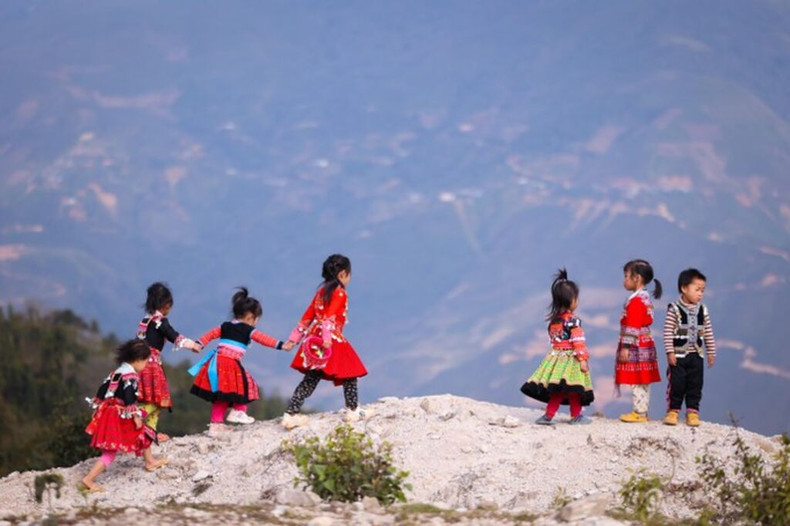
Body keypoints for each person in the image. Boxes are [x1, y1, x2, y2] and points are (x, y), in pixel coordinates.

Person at [281, 254, 369, 430]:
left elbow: (307, 318)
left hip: (313, 338)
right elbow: (330, 317)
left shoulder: (320, 293)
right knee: (350, 372)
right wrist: (328, 339)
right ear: (343, 274)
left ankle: (291, 413)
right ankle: (353, 410)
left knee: (312, 377)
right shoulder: (340, 293)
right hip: (331, 339)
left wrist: (293, 340)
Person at [189, 287, 293, 430]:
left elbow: (210, 334)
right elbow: (263, 339)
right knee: (247, 385)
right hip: (230, 363)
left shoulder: (224, 326)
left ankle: (215, 425)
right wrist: (282, 345)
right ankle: (238, 412)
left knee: (221, 394)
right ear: (250, 316)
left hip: (216, 362)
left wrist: (199, 344)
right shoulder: (248, 329)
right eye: (256, 318)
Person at [81, 339, 168, 492]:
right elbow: (130, 398)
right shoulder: (131, 376)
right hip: (121, 414)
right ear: (138, 360)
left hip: (109, 412)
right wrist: (136, 416)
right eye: (146, 362)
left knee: (110, 452)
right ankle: (149, 462)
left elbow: (102, 391)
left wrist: (97, 405)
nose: (146, 365)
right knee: (143, 432)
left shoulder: (116, 373)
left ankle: (89, 478)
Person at [521, 268, 594, 425]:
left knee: (558, 390)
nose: (578, 301)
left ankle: (548, 415)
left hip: (556, 360)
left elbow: (554, 341)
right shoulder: (573, 321)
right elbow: (578, 341)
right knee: (575, 389)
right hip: (571, 360)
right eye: (576, 298)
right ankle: (575, 416)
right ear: (570, 300)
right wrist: (583, 359)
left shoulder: (554, 321)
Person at [136, 282, 201, 441]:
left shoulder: (145, 320)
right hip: (151, 364)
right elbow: (174, 336)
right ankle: (138, 416)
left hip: (138, 362)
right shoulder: (160, 321)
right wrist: (193, 345)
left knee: (149, 399)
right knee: (158, 401)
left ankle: (149, 433)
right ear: (166, 304)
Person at [662, 268, 716, 427]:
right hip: (678, 356)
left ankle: (692, 412)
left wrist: (711, 352)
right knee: (677, 384)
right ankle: (673, 410)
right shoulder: (674, 309)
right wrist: (669, 352)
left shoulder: (703, 310)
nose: (700, 293)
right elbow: (667, 332)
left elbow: (708, 333)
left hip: (697, 356)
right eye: (697, 289)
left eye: (702, 290)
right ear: (684, 288)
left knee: (695, 384)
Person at [616, 259, 663, 423]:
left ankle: (639, 412)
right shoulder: (643, 298)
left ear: (637, 278)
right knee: (642, 378)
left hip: (637, 344)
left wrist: (626, 347)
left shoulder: (636, 301)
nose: (624, 280)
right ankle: (641, 411)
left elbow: (633, 325)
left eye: (626, 276)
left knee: (639, 378)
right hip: (644, 342)